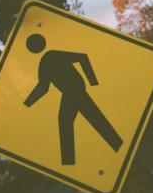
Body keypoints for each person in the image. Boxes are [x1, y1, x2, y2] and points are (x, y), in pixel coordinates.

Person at [24, 33, 123, 165]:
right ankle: (117, 145)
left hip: (74, 89)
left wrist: (93, 81)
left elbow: (82, 57)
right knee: (92, 117)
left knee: (67, 120)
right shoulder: (45, 63)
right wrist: (26, 104)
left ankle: (69, 162)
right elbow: (43, 87)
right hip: (72, 91)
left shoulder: (52, 56)